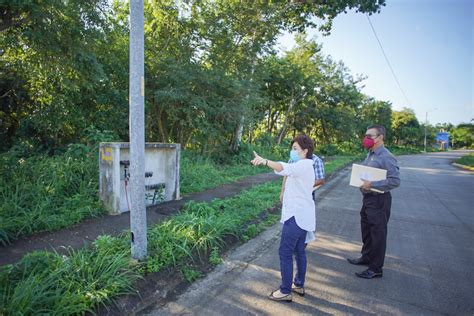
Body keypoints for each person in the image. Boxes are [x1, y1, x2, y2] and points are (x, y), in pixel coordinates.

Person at [251, 135, 316, 302]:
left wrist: (265, 161)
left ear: (305, 151)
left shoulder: (303, 164)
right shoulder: (306, 166)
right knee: (299, 251)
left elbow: (283, 167)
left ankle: (285, 290)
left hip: (296, 216)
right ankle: (298, 284)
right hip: (303, 216)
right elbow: (285, 170)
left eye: (295, 149)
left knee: (285, 252)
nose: (292, 151)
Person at [347, 125, 400, 279]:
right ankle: (367, 257)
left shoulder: (386, 156)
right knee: (367, 230)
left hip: (379, 199)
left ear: (380, 137)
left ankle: (376, 268)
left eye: (370, 136)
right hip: (368, 198)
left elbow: (395, 180)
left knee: (378, 234)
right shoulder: (371, 154)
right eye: (366, 135)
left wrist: (373, 185)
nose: (366, 139)